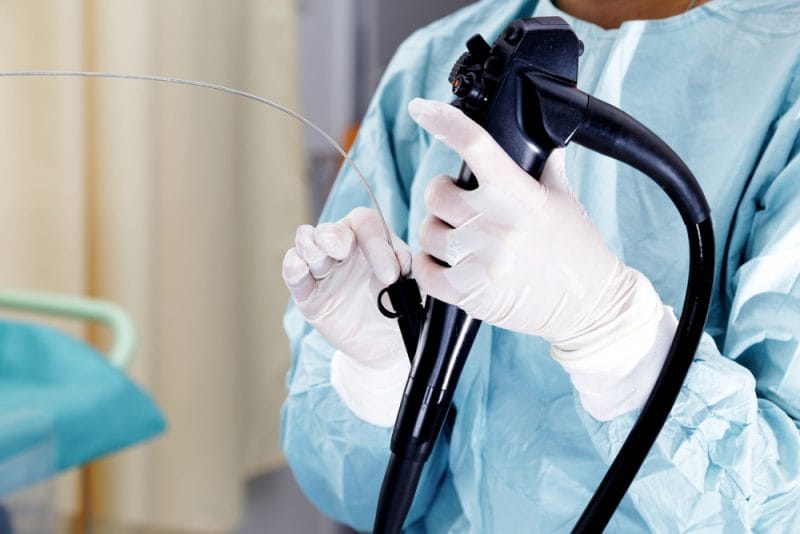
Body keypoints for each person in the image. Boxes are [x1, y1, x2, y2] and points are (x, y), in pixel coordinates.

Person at [281, 0, 800, 531]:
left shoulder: (787, 82)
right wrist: (379, 376)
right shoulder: (429, 61)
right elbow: (354, 496)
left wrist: (610, 330)